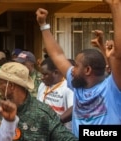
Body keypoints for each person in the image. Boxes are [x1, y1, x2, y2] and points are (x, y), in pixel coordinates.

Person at [35, 1, 121, 138]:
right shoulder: (77, 85)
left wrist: (115, 6)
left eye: (76, 65)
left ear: (87, 70)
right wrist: (43, 25)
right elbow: (57, 55)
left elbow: (117, 56)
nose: (71, 69)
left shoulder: (112, 87)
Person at [0, 62, 78, 141]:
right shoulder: (0, 109)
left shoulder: (42, 114)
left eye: (0, 83)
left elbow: (67, 138)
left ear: (10, 85)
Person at [37, 57, 73, 130]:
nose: (42, 77)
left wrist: (54, 123)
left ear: (56, 72)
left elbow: (73, 109)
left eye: (45, 74)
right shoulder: (42, 85)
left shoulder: (68, 87)